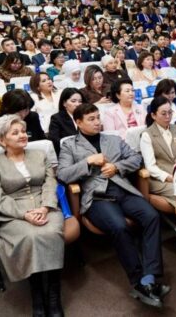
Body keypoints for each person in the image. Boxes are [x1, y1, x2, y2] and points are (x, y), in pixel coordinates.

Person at [57, 103, 169, 309]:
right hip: (97, 197)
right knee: (119, 226)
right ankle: (138, 280)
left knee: (151, 216)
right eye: (91, 119)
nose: (97, 122)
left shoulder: (113, 139)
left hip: (123, 190)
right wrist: (88, 161)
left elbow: (136, 158)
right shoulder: (69, 146)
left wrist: (117, 167)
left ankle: (149, 277)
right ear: (78, 122)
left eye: (98, 117)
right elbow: (63, 174)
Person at [0, 115, 65, 316]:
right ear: (2, 140)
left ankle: (53, 296)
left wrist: (45, 207)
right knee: (30, 236)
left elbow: (50, 183)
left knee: (51, 233)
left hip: (45, 205)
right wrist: (24, 214)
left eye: (23, 131)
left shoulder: (39, 155)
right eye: (15, 133)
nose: (22, 135)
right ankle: (37, 294)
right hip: (14, 213)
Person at [139, 96, 176, 208]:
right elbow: (150, 167)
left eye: (170, 112)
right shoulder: (147, 135)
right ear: (153, 115)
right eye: (163, 114)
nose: (168, 117)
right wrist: (169, 177)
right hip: (160, 180)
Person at [47, 88, 83, 154]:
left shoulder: (85, 116)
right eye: (73, 101)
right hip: (67, 153)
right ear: (64, 103)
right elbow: (55, 141)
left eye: (80, 101)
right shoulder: (57, 118)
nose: (77, 104)